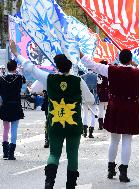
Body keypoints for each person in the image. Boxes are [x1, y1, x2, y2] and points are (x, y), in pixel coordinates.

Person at [10, 41, 95, 189]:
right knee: (72, 154)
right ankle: (71, 185)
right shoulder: (78, 80)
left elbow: (31, 68)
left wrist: (17, 54)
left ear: (57, 66)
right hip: (73, 124)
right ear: (70, 67)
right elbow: (91, 100)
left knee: (54, 153)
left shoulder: (49, 78)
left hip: (55, 123)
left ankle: (49, 182)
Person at [81, 49, 139, 182]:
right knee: (127, 140)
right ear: (130, 59)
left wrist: (80, 55)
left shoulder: (111, 70)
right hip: (131, 106)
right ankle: (123, 172)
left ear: (119, 59)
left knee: (114, 140)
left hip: (115, 106)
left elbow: (91, 65)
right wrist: (136, 65)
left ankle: (110, 169)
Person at [0, 60, 25, 160]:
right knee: (14, 129)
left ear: (7, 67)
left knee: (6, 129)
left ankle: (5, 153)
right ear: (15, 68)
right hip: (15, 105)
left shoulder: (1, 78)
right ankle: (11, 154)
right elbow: (23, 81)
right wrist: (20, 71)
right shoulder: (18, 77)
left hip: (5, 106)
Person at [81, 69, 99, 137]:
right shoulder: (96, 76)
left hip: (85, 98)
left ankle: (84, 131)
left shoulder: (82, 76)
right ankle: (91, 133)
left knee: (84, 114)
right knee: (93, 115)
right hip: (93, 97)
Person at [97, 60, 109, 130]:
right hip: (107, 93)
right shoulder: (109, 74)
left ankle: (100, 125)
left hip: (100, 94)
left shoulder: (98, 74)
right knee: (108, 109)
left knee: (100, 109)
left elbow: (97, 85)